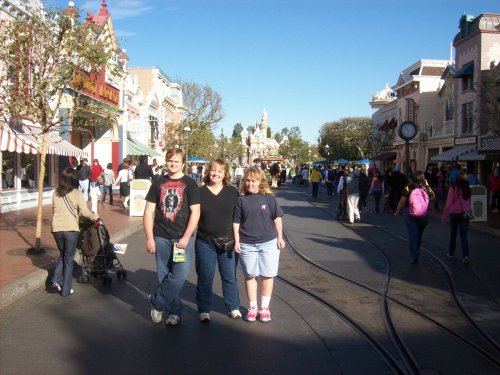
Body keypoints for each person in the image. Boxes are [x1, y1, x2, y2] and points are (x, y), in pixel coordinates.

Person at [144, 148, 200, 326]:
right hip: (161, 237)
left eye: (176, 161)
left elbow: (195, 212)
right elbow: (148, 212)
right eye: (170, 160)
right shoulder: (158, 183)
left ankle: (156, 301)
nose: (173, 163)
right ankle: (174, 312)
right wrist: (149, 238)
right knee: (163, 275)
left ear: (182, 163)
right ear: (166, 161)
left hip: (180, 239)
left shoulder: (190, 184)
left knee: (179, 274)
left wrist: (186, 237)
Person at [233, 167, 285, 322]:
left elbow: (277, 218)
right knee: (250, 275)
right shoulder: (240, 200)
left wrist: (280, 237)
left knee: (267, 275)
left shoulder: (268, 198)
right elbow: (236, 222)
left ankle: (264, 308)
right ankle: (253, 307)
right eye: (247, 180)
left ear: (260, 182)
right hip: (247, 244)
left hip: (268, 242)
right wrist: (237, 240)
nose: (250, 183)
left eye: (254, 181)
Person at [195, 158, 241, 322]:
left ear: (225, 174)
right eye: (213, 170)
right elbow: (192, 215)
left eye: (220, 171)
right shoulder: (199, 192)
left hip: (228, 242)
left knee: (229, 276)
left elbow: (239, 217)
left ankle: (233, 306)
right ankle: (204, 309)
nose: (216, 173)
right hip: (205, 241)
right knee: (205, 276)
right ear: (208, 171)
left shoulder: (232, 192)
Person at [50, 167, 99, 296]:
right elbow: (84, 211)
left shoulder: (55, 193)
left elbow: (53, 210)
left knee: (63, 253)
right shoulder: (76, 193)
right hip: (70, 228)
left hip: (56, 228)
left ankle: (55, 280)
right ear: (74, 180)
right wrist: (96, 217)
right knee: (69, 258)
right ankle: (66, 289)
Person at [395, 172, 435, 264]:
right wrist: (427, 185)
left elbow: (402, 201)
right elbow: (433, 197)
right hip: (424, 215)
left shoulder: (409, 187)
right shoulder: (426, 188)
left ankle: (414, 255)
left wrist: (397, 212)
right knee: (419, 235)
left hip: (411, 215)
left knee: (413, 235)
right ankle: (416, 249)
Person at [441, 173, 472, 264]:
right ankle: (466, 255)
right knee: (464, 236)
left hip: (454, 214)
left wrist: (444, 217)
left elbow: (448, 204)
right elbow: (469, 203)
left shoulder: (453, 189)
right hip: (465, 214)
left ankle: (451, 253)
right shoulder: (468, 190)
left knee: (453, 234)